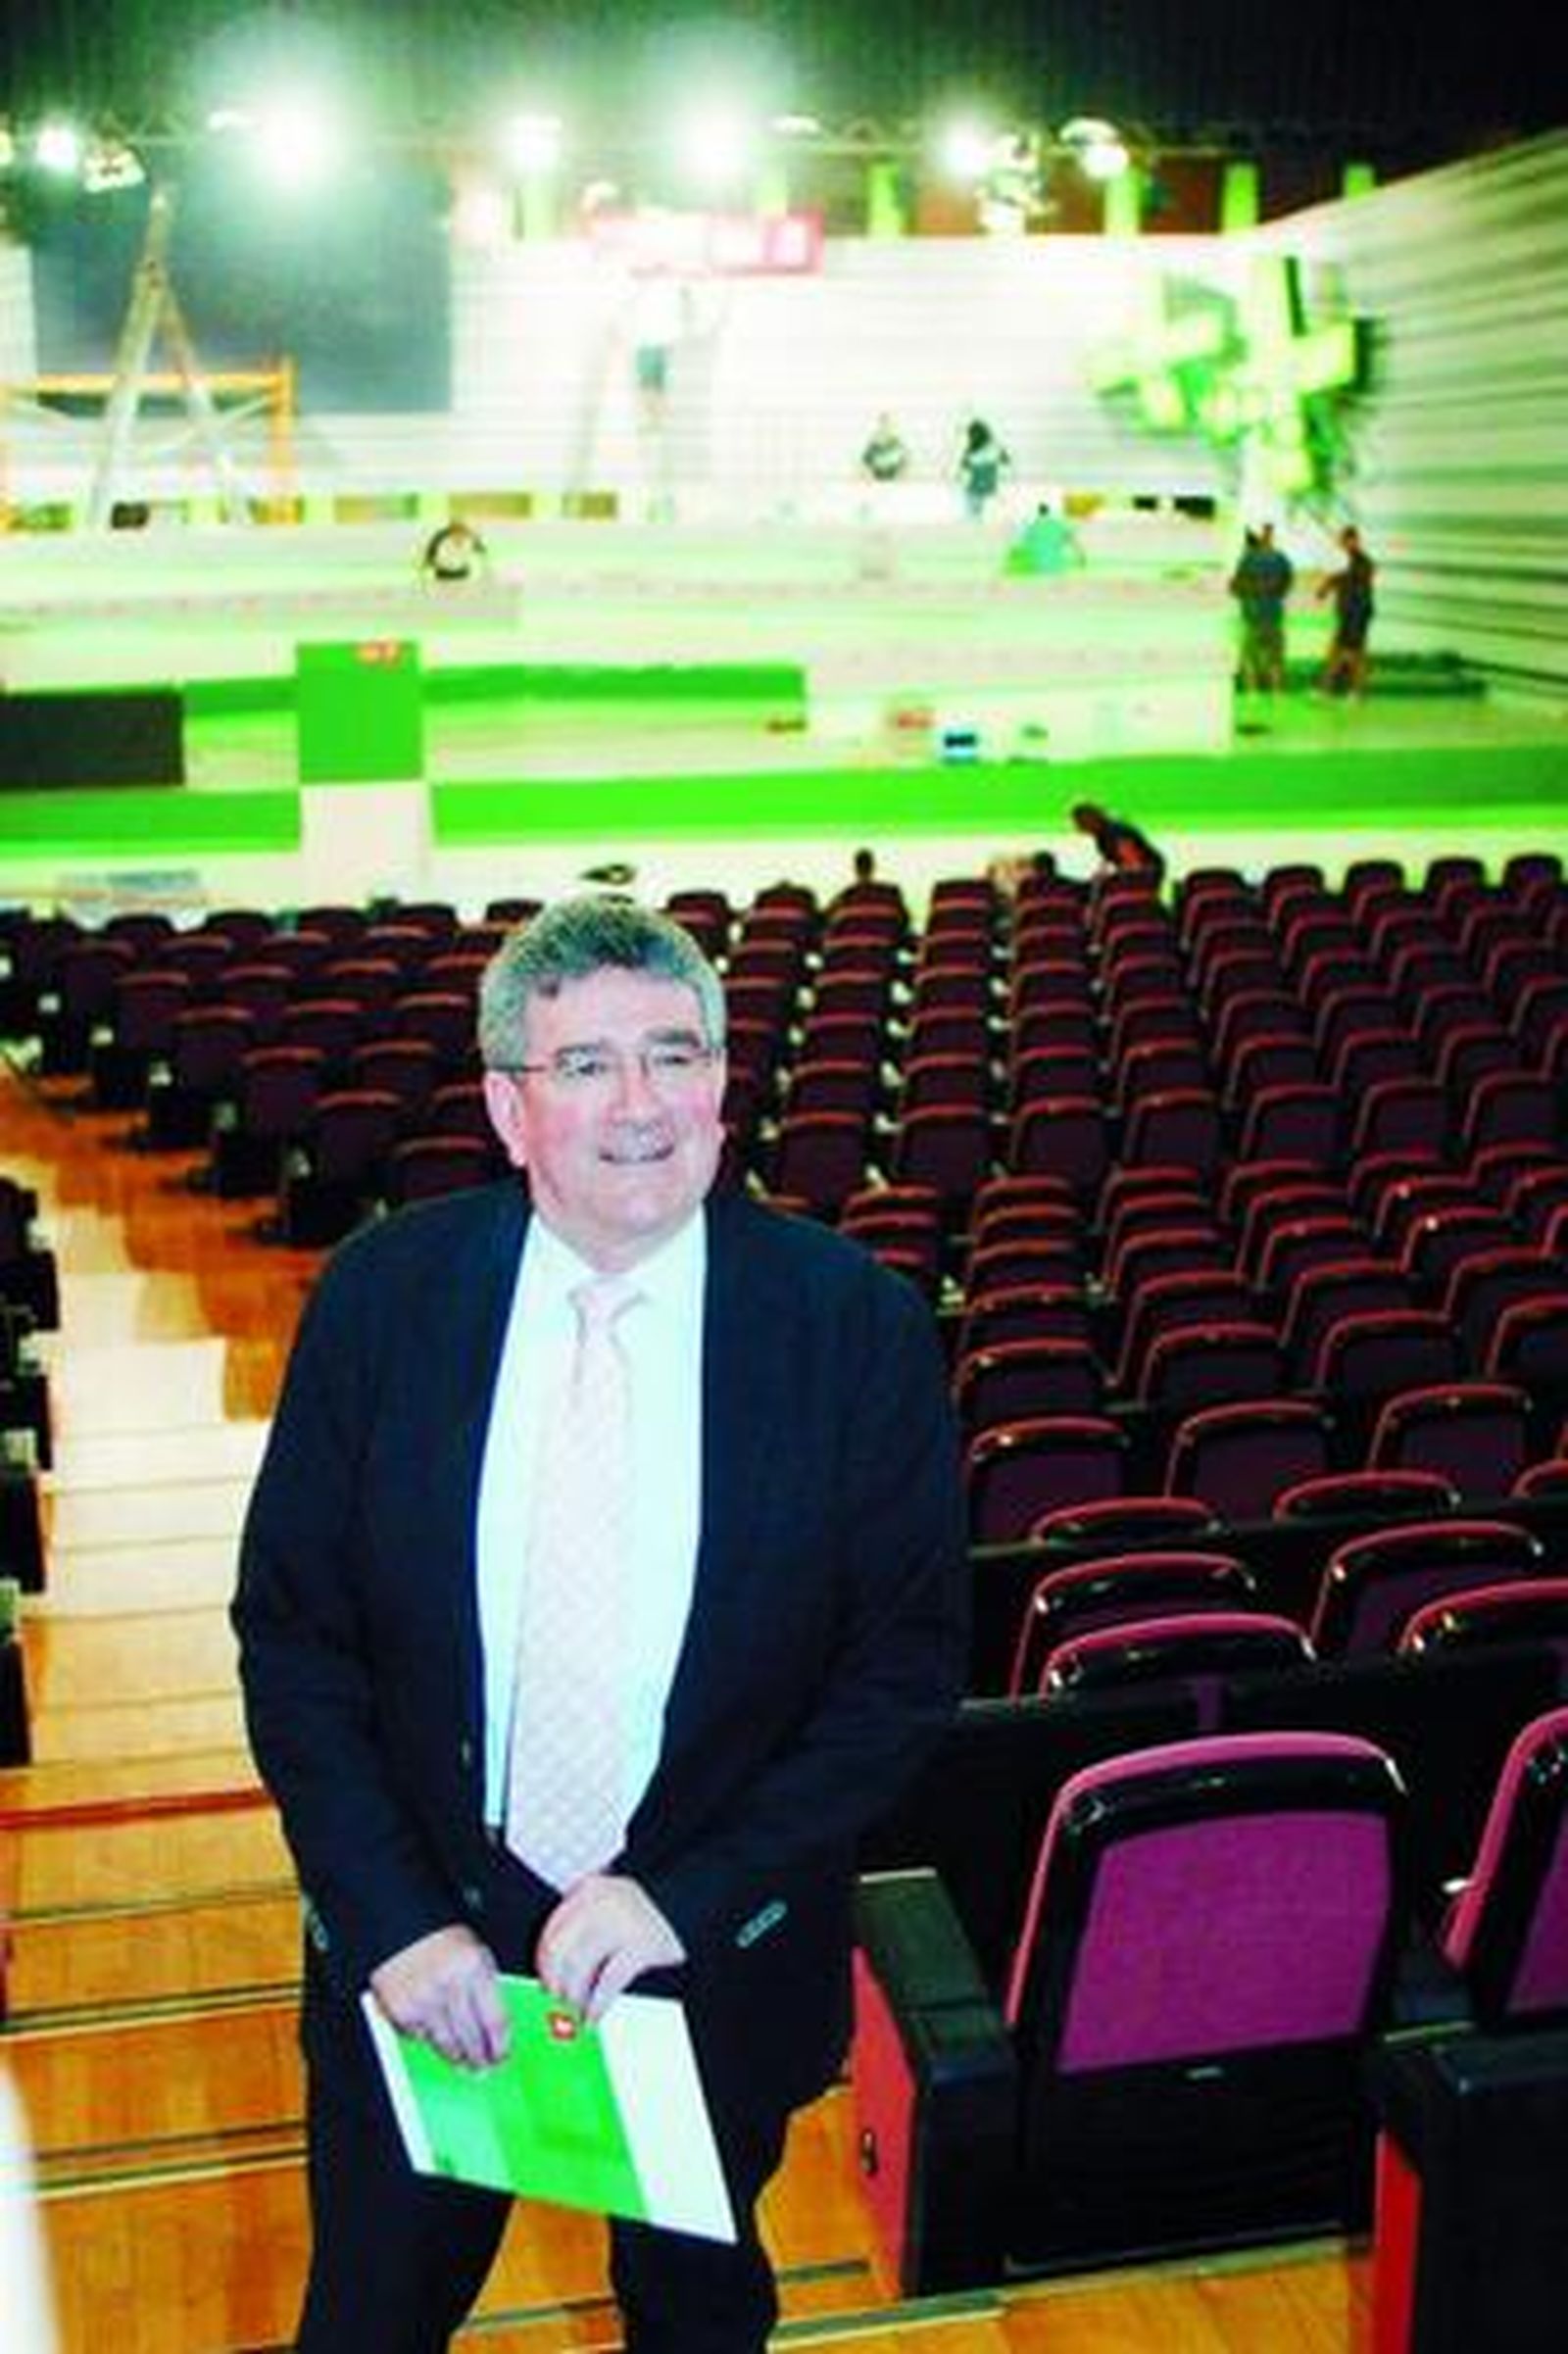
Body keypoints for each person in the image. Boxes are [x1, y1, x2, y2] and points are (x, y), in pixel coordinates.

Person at [232, 895, 968, 2354]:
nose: (639, 1104)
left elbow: (900, 1672)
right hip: (426, 1956)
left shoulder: (853, 1324)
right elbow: (295, 1638)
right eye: (584, 1064)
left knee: (699, 2314)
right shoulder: (384, 1297)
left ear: (721, 1082)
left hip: (705, 1952)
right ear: (511, 1108)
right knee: (369, 2319)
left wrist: (680, 1894)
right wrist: (396, 1921)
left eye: (672, 1055)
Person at [1228, 522, 1295, 692]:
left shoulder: (1247, 560)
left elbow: (1235, 587)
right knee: (1276, 658)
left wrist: (1244, 592)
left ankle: (1252, 691)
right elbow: (1287, 585)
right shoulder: (1281, 559)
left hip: (1253, 616)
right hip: (1274, 614)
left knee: (1250, 656)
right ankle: (1277, 691)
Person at [1316, 524, 1376, 698]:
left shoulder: (1363, 562)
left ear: (1354, 540)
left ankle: (1356, 692)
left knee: (1355, 654)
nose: (1341, 544)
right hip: (1348, 613)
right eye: (1341, 541)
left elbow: (1348, 578)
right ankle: (1326, 689)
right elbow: (1341, 578)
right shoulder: (1349, 561)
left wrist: (1327, 584)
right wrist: (1326, 586)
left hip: (1357, 614)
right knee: (1336, 651)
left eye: (1344, 541)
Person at [1070, 800, 1166, 885]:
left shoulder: (1116, 832)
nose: (1078, 828)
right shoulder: (1101, 834)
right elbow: (1108, 857)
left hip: (1148, 870)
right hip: (1135, 869)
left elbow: (1133, 862)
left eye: (1079, 823)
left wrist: (1117, 878)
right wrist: (1100, 875)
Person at [956, 417, 1010, 520]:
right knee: (973, 516)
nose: (971, 437)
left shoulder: (989, 449)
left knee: (974, 517)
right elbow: (963, 468)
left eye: (971, 435)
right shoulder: (989, 449)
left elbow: (963, 467)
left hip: (980, 491)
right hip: (979, 490)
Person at [418, 518, 488, 586]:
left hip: (462, 576)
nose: (459, 536)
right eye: (456, 531)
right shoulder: (439, 538)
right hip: (443, 576)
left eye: (461, 532)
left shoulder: (471, 538)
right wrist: (425, 566)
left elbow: (482, 551)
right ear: (451, 530)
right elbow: (429, 557)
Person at [858, 413, 910, 484]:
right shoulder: (876, 441)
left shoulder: (894, 442)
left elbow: (904, 459)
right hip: (879, 474)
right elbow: (866, 459)